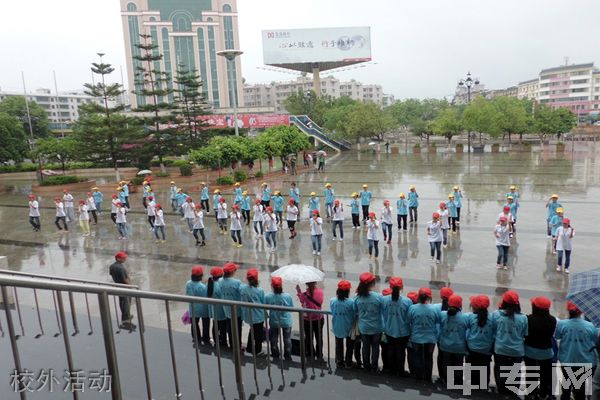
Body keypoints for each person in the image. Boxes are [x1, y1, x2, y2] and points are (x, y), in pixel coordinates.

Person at [555, 301, 598, 400]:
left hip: (567, 359)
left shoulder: (562, 324)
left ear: (568, 310)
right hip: (584, 360)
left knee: (566, 382)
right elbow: (595, 340)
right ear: (581, 311)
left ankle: (565, 397)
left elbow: (557, 336)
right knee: (580, 385)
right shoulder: (591, 326)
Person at [490, 290, 528, 395]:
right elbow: (525, 334)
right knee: (515, 371)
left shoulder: (496, 315)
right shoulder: (523, 318)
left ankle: (501, 389)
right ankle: (512, 391)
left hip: (500, 349)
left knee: (500, 369)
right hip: (517, 351)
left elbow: (493, 330)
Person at [524, 296, 556, 400]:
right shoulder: (552, 320)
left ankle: (531, 394)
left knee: (531, 373)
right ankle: (543, 394)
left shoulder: (528, 319)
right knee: (545, 375)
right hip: (546, 353)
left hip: (529, 352)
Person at [382, 277, 412, 376]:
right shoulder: (407, 301)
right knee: (401, 351)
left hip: (389, 329)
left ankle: (390, 369)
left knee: (390, 349)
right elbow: (409, 317)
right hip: (403, 331)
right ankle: (400, 370)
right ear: (401, 287)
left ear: (390, 286)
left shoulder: (384, 300)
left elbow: (383, 314)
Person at [408, 288, 440, 382]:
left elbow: (408, 320)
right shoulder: (434, 308)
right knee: (428, 357)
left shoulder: (413, 308)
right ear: (429, 297)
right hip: (430, 338)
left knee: (417, 356)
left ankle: (418, 376)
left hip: (416, 337)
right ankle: (428, 377)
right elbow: (437, 321)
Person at [354, 272, 384, 372]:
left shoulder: (357, 298)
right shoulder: (378, 297)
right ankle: (374, 367)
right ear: (372, 283)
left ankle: (366, 366)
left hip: (364, 328)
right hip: (377, 328)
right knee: (375, 348)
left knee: (365, 347)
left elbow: (355, 311)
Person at [465, 295, 494, 390]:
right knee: (484, 371)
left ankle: (472, 389)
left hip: (472, 349)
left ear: (474, 306)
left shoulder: (470, 317)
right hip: (486, 350)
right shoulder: (493, 318)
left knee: (472, 372)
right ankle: (483, 389)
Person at [438, 295, 468, 385]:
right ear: (460, 305)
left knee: (446, 362)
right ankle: (458, 381)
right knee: (458, 363)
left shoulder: (442, 314)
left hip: (445, 345)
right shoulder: (465, 317)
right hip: (459, 347)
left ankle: (447, 380)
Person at [265, 277, 293, 360]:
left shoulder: (268, 296)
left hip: (274, 321)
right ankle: (287, 354)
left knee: (273, 339)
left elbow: (263, 306)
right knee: (287, 339)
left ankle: (275, 354)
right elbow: (291, 307)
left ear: (272, 286)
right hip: (286, 321)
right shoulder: (287, 296)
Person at [330, 280, 356, 368]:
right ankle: (348, 362)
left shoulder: (333, 301)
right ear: (348, 291)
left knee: (339, 345)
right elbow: (354, 314)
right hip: (348, 327)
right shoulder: (351, 302)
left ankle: (339, 361)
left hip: (337, 326)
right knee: (349, 346)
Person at [240, 268, 266, 355]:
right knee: (258, 334)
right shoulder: (260, 291)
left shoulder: (243, 288)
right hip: (258, 316)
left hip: (248, 315)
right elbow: (263, 302)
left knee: (252, 331)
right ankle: (257, 350)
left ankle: (250, 347)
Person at [296, 281, 325, 361]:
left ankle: (311, 354)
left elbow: (302, 302)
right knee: (319, 337)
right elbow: (320, 302)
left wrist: (298, 291)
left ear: (306, 283)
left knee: (309, 338)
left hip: (307, 320)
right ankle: (319, 355)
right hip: (319, 319)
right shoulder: (320, 292)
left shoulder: (304, 295)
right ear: (315, 282)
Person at [109, 252, 136, 330]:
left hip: (118, 286)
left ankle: (125, 316)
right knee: (126, 302)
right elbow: (125, 279)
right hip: (124, 287)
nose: (125, 259)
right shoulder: (121, 268)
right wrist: (130, 286)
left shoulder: (112, 266)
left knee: (122, 301)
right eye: (123, 258)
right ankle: (126, 318)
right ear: (118, 258)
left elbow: (111, 274)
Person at [186, 266, 210, 346]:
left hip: (193, 308)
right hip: (203, 309)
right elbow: (206, 296)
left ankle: (196, 338)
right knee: (205, 324)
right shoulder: (203, 287)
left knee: (194, 324)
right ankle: (206, 338)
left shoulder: (188, 283)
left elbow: (187, 294)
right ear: (201, 276)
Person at [220, 262, 242, 350]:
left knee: (229, 327)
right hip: (237, 310)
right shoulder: (237, 282)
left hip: (226, 309)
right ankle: (237, 346)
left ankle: (232, 344)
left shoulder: (220, 281)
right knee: (237, 328)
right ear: (233, 272)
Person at [207, 267, 227, 347]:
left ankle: (216, 341)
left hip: (213, 310)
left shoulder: (210, 283)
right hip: (222, 311)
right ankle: (223, 342)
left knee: (215, 326)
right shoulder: (220, 285)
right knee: (223, 328)